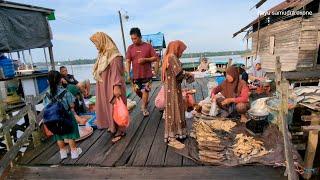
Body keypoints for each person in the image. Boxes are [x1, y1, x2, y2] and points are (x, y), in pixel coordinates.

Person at [90, 32, 127, 143]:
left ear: (102, 41)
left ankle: (121, 130)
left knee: (116, 108)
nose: (96, 45)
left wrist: (116, 86)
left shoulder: (114, 55)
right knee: (108, 108)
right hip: (104, 86)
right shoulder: (103, 55)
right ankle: (112, 127)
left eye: (96, 43)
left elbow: (117, 73)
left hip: (112, 87)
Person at [162, 40, 194, 149]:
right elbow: (179, 73)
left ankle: (178, 133)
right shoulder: (172, 57)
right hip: (173, 89)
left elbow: (177, 75)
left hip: (172, 88)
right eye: (181, 50)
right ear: (177, 48)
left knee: (176, 109)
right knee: (173, 110)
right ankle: (172, 137)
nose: (182, 53)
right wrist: (189, 74)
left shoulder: (168, 57)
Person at [44, 70, 82, 159]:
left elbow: (46, 105)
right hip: (66, 116)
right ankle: (74, 152)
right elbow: (72, 105)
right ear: (60, 80)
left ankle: (63, 153)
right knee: (70, 134)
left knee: (58, 135)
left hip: (53, 118)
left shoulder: (47, 94)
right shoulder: (65, 92)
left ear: (47, 81)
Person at [126, 27, 158, 117]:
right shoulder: (130, 48)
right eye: (132, 39)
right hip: (135, 75)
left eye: (135, 38)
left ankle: (143, 107)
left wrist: (146, 59)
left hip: (147, 74)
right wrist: (128, 73)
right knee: (136, 90)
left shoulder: (148, 46)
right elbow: (128, 61)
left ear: (140, 37)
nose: (133, 40)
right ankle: (145, 99)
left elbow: (155, 58)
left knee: (145, 91)